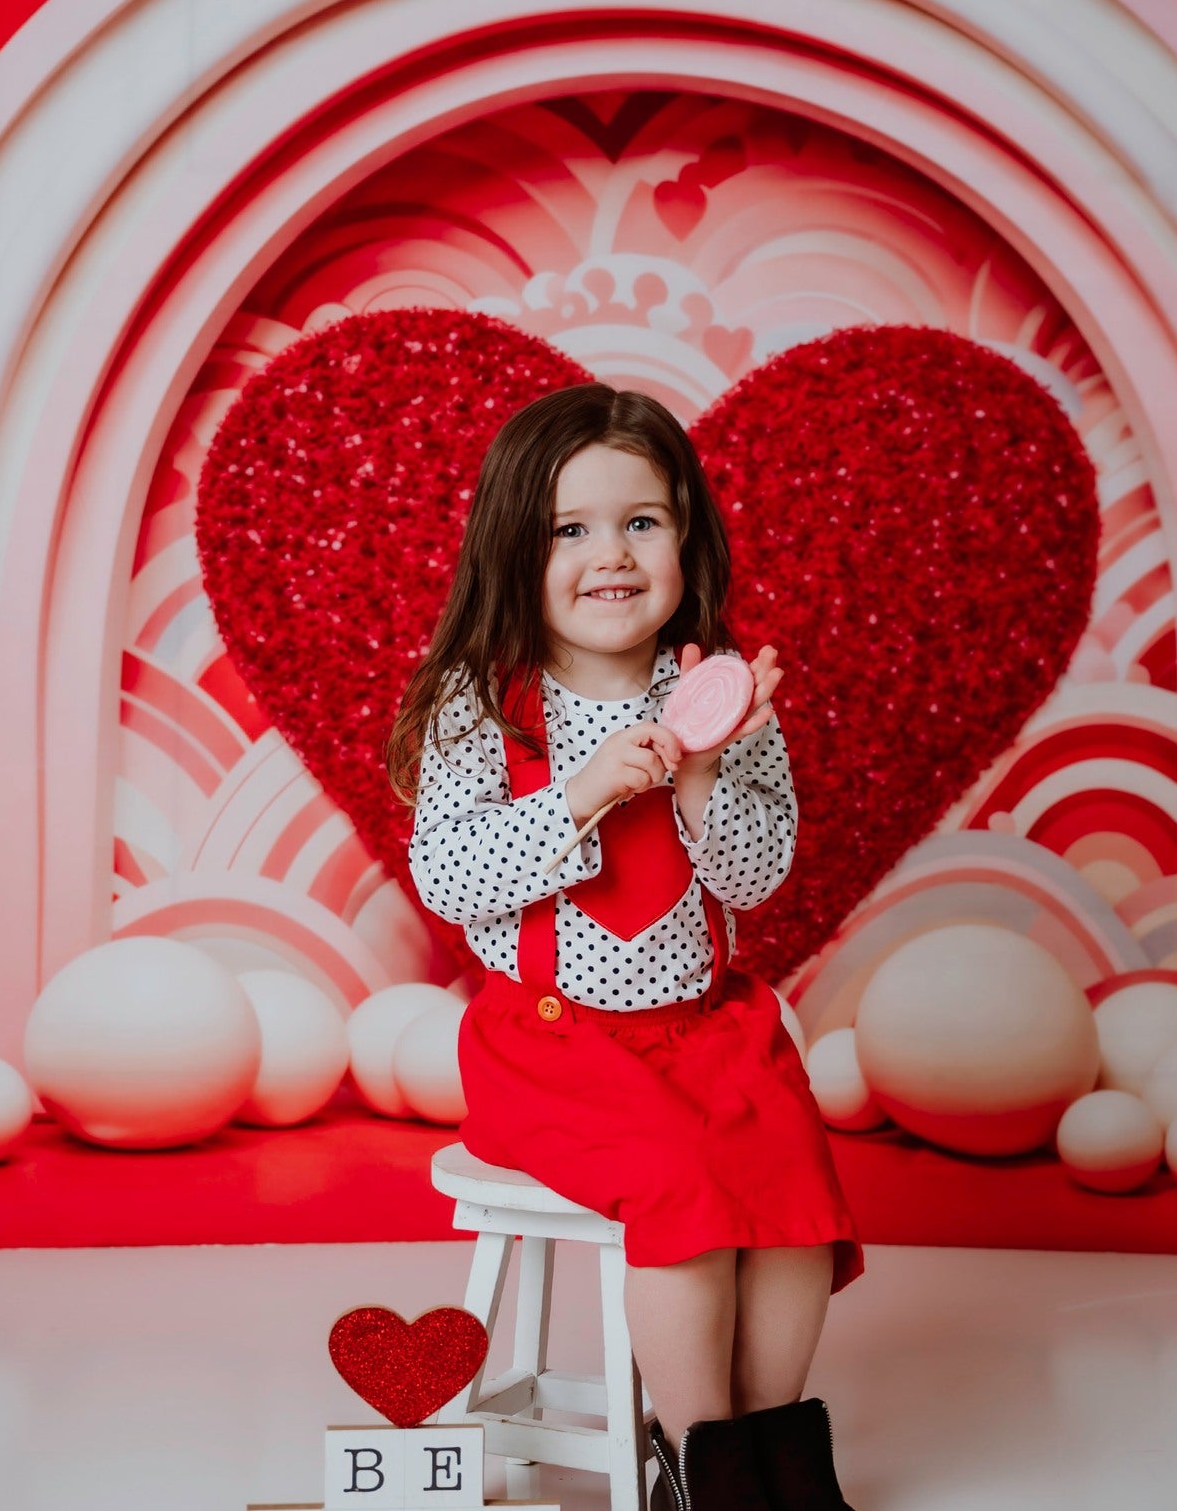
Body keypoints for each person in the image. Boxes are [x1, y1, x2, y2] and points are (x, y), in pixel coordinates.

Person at [389, 382, 862, 1511]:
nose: (611, 554)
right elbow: (448, 880)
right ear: (514, 547)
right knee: (680, 1184)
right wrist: (580, 797)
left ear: (685, 537)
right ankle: (703, 1460)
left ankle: (755, 1454)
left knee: (794, 1186)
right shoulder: (482, 702)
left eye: (640, 521)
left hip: (704, 1027)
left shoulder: (721, 697)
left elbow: (757, 881)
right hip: (549, 1044)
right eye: (570, 529)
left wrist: (700, 776)